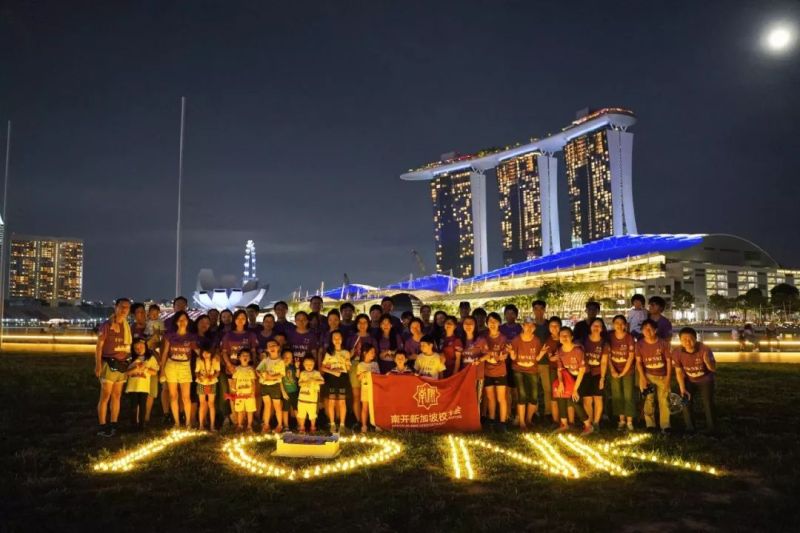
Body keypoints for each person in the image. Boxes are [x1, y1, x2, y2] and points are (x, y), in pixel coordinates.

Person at [95, 298, 132, 437]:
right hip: (109, 364)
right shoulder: (107, 325)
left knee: (117, 396)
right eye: (122, 307)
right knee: (105, 396)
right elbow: (99, 347)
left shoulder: (127, 326)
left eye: (127, 308)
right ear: (115, 307)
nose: (124, 310)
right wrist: (98, 365)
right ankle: (102, 425)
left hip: (122, 365)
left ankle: (114, 424)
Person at [672, 327, 717, 433]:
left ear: (696, 338)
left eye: (690, 338)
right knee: (686, 402)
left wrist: (707, 362)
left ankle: (712, 428)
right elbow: (678, 371)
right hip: (688, 380)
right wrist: (682, 388)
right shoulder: (677, 352)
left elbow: (713, 369)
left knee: (708, 403)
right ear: (680, 340)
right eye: (684, 339)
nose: (687, 341)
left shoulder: (705, 349)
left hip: (705, 380)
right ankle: (690, 427)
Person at [219, 310, 259, 427]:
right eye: (238, 318)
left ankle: (248, 419)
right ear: (234, 320)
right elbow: (224, 352)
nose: (240, 320)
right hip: (233, 369)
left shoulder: (250, 335)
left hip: (247, 370)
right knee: (235, 393)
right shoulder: (228, 335)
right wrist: (229, 365)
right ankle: (236, 419)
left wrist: (254, 364)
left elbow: (253, 351)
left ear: (246, 320)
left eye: (243, 318)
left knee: (248, 392)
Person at [160, 311, 198, 430]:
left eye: (185, 320)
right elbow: (165, 353)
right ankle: (176, 422)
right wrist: (162, 370)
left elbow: (197, 350)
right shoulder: (169, 335)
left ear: (188, 321)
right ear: (176, 322)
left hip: (185, 366)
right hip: (171, 365)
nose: (182, 322)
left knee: (186, 397)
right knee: (173, 395)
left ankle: (188, 423)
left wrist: (209, 356)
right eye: (180, 320)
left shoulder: (191, 337)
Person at [553, 327, 594, 435]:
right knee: (560, 394)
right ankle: (564, 423)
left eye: (567, 335)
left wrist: (575, 389)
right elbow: (559, 369)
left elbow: (582, 371)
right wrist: (561, 383)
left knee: (574, 399)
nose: (564, 337)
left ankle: (588, 425)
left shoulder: (577, 350)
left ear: (571, 337)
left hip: (583, 377)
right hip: (569, 376)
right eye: (562, 335)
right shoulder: (560, 350)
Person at [636, 319, 673, 434]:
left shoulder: (663, 343)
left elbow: (668, 361)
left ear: (655, 330)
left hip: (662, 376)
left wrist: (668, 378)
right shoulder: (640, 344)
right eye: (645, 329)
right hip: (648, 376)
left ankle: (665, 425)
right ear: (642, 331)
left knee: (664, 400)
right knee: (648, 399)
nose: (647, 331)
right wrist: (642, 378)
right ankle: (650, 424)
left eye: (650, 329)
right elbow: (638, 362)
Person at [508, 316, 542, 430]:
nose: (528, 328)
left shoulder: (536, 341)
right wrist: (511, 353)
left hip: (532, 370)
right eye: (526, 325)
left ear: (534, 328)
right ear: (522, 326)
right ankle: (522, 421)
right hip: (518, 369)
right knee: (521, 394)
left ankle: (529, 419)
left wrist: (542, 353)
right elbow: (513, 357)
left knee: (534, 395)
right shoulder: (516, 340)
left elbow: (537, 358)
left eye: (531, 326)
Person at [608, 315, 636, 431]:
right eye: (617, 323)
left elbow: (631, 357)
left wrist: (624, 372)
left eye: (621, 323)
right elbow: (608, 356)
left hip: (627, 370)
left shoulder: (629, 338)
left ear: (625, 325)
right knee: (617, 394)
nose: (619, 325)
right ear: (613, 324)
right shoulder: (609, 337)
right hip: (614, 370)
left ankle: (629, 421)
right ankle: (621, 420)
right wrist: (613, 370)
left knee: (628, 395)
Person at [125, 337, 160, 431]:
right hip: (132, 387)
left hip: (144, 387)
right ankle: (133, 424)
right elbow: (126, 372)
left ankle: (142, 424)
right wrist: (134, 369)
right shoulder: (130, 358)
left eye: (141, 347)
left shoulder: (150, 358)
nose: (139, 349)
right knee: (133, 406)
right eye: (136, 348)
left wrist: (146, 369)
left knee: (143, 405)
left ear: (145, 347)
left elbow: (155, 372)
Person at [483, 312, 509, 430]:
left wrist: (500, 356)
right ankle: (492, 420)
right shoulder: (484, 338)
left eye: (495, 321)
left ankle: (503, 422)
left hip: (500, 372)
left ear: (499, 323)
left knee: (501, 398)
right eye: (490, 322)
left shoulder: (503, 338)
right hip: (487, 372)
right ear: (487, 324)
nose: (492, 324)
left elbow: (504, 355)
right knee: (490, 398)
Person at [581, 318, 608, 430]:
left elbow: (604, 361)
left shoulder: (604, 343)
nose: (596, 328)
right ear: (590, 327)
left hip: (598, 373)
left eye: (599, 326)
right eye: (594, 325)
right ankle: (589, 422)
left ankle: (596, 423)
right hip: (585, 373)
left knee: (598, 398)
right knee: (587, 399)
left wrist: (602, 378)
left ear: (602, 328)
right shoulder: (583, 341)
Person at [321, 330, 351, 433]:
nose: (337, 340)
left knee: (342, 402)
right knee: (331, 402)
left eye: (339, 338)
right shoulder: (329, 352)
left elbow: (348, 368)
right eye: (334, 338)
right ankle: (332, 424)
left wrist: (346, 362)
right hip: (331, 379)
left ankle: (342, 425)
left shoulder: (346, 352)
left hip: (343, 379)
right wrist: (333, 371)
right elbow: (323, 368)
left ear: (342, 339)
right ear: (332, 340)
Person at [346, 314, 372, 426]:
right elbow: (346, 355)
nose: (362, 325)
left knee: (368, 396)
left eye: (364, 322)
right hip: (355, 366)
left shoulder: (371, 338)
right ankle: (359, 421)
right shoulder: (352, 338)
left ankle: (369, 420)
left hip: (368, 367)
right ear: (356, 324)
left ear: (368, 324)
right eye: (359, 322)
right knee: (356, 395)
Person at [537, 316, 563, 425]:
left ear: (560, 326)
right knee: (553, 391)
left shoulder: (564, 336)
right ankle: (553, 416)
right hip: (553, 369)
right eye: (551, 326)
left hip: (566, 369)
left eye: (556, 326)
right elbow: (550, 357)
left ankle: (565, 415)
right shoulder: (548, 340)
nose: (554, 328)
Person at [256, 339, 285, 433]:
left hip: (275, 385)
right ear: (267, 349)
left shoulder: (281, 361)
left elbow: (281, 374)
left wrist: (271, 377)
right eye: (269, 346)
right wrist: (262, 376)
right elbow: (258, 370)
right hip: (265, 385)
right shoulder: (265, 360)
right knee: (267, 405)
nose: (272, 348)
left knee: (277, 406)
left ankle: (280, 425)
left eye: (273, 345)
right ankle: (266, 424)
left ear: (278, 347)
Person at [460, 316, 487, 405]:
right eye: (466, 323)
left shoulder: (480, 340)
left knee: (476, 400)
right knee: (465, 399)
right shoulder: (460, 340)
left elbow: (488, 354)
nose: (468, 325)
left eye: (471, 323)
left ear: (475, 325)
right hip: (463, 375)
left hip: (477, 375)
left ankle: (476, 419)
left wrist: (479, 360)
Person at [297, 354, 325, 433]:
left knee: (312, 415)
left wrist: (314, 380)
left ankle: (313, 427)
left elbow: (322, 381)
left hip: (312, 399)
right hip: (302, 398)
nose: (309, 366)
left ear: (314, 364)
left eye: (311, 364)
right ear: (303, 365)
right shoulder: (302, 373)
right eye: (307, 364)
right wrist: (305, 382)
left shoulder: (316, 373)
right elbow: (299, 383)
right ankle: (302, 427)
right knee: (301, 414)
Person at [231, 349, 257, 431]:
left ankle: (249, 425)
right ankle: (240, 425)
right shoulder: (237, 369)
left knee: (250, 410)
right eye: (243, 355)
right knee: (239, 410)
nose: (245, 357)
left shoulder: (251, 369)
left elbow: (253, 382)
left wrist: (253, 392)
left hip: (249, 394)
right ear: (239, 358)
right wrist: (233, 390)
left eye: (247, 355)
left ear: (250, 358)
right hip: (240, 394)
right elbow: (234, 380)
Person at [195, 346, 220, 431]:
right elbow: (196, 372)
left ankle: (212, 426)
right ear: (202, 353)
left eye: (208, 353)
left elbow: (218, 372)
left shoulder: (215, 360)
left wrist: (212, 377)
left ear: (211, 353)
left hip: (212, 383)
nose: (206, 354)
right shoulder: (199, 361)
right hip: (201, 383)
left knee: (211, 404)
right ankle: (201, 425)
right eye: (204, 352)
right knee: (202, 403)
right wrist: (200, 377)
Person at [357, 345, 380, 433]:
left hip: (374, 389)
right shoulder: (360, 365)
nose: (373, 354)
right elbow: (358, 377)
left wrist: (373, 374)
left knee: (374, 407)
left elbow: (379, 376)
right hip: (365, 388)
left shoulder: (375, 364)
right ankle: (364, 426)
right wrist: (364, 373)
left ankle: (376, 425)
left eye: (374, 352)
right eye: (371, 352)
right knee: (365, 407)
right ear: (365, 353)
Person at [280, 348, 298, 431]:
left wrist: (297, 368)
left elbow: (297, 376)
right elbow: (280, 381)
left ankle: (300, 425)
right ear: (282, 357)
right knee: (285, 409)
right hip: (286, 392)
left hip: (294, 391)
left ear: (292, 359)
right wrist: (283, 392)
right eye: (285, 357)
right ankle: (286, 425)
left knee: (296, 408)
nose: (287, 359)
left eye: (289, 357)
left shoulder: (293, 367)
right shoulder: (280, 368)